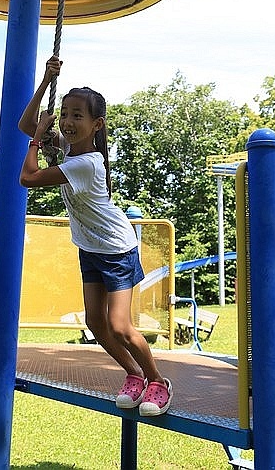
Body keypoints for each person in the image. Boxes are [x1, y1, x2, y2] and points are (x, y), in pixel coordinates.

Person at [19, 55, 172, 416]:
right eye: (66, 113)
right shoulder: (72, 150)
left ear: (96, 124)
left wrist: (40, 138)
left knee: (119, 326)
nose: (69, 122)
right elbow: (26, 123)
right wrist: (45, 81)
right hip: (90, 247)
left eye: (78, 116)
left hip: (117, 249)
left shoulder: (85, 163)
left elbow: (28, 177)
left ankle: (158, 381)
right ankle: (134, 374)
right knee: (94, 323)